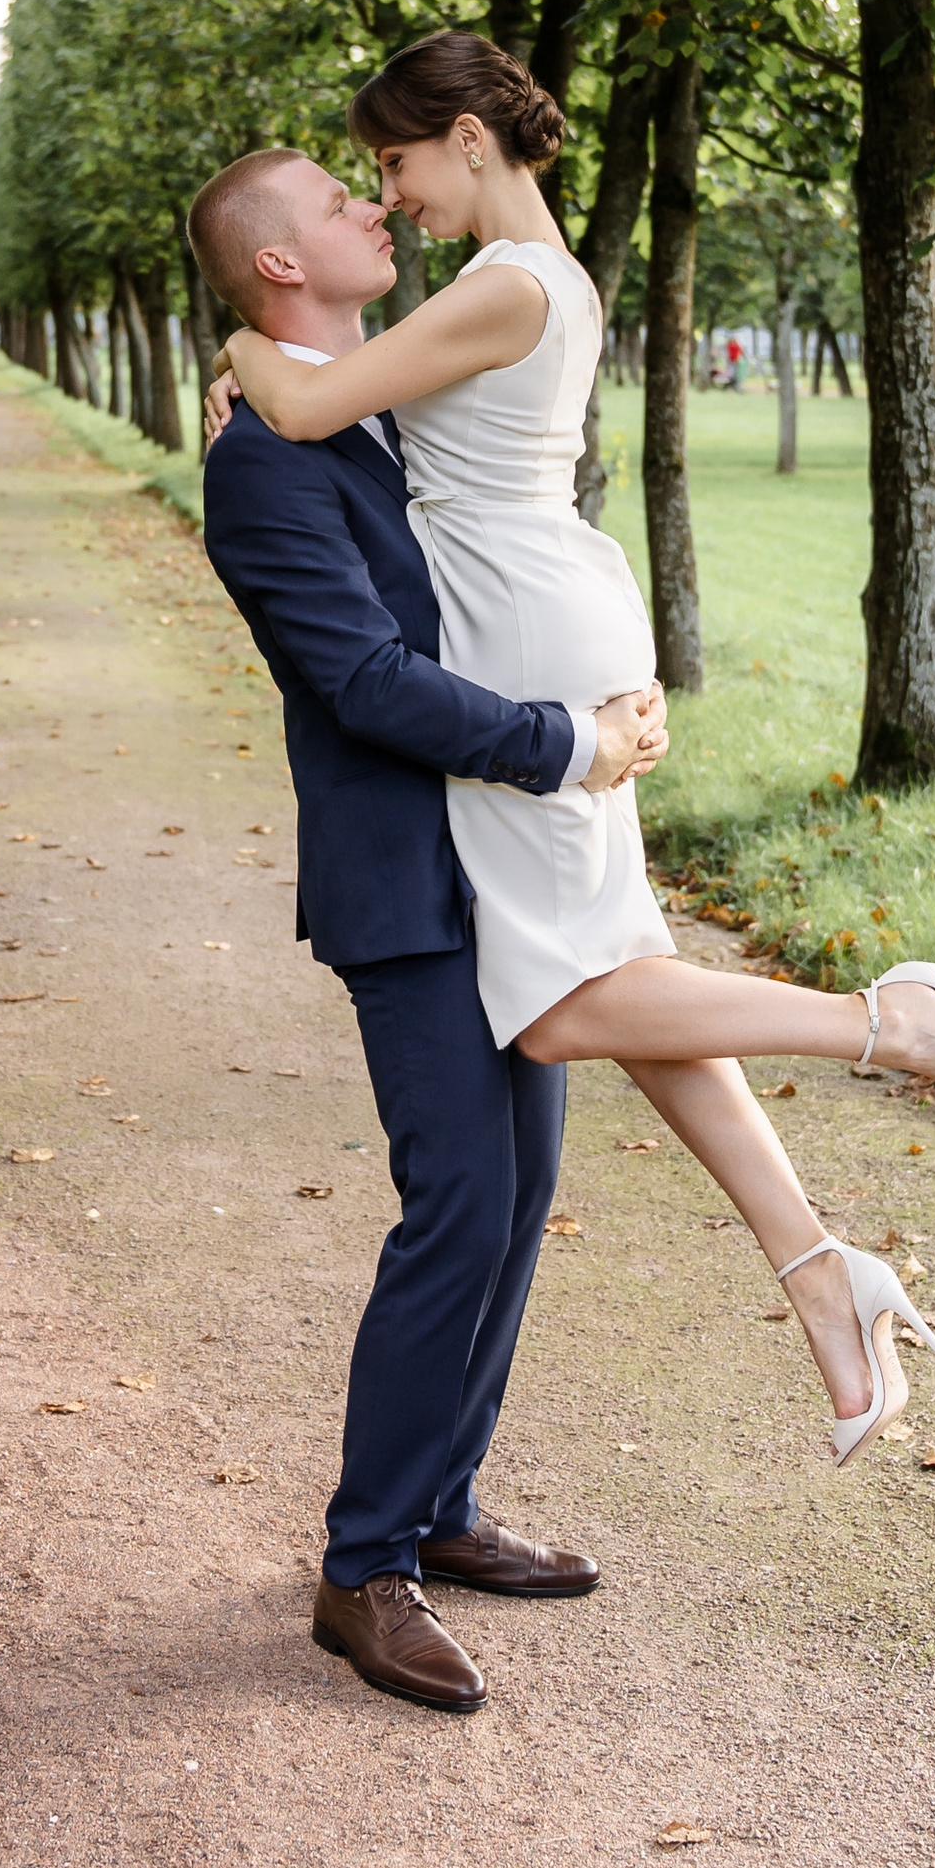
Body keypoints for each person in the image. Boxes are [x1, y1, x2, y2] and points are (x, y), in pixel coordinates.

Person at [208, 32, 935, 1502]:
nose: (385, 198)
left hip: (532, 645)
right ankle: (816, 1264)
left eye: (390, 166)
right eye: (355, 189)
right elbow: (337, 465)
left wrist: (240, 355)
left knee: (571, 1005)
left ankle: (885, 1024)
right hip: (542, 633)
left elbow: (306, 405)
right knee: (608, 983)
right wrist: (257, 362)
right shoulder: (508, 291)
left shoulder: (500, 285)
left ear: (469, 139)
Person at [190, 143, 664, 1713]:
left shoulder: (382, 398)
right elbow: (365, 683)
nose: (372, 207)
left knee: (521, 1194)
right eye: (338, 202)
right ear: (280, 262)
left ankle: (445, 1506)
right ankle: (364, 1567)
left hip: (506, 861)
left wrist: (606, 682)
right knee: (457, 1202)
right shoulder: (262, 463)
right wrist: (567, 742)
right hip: (408, 879)